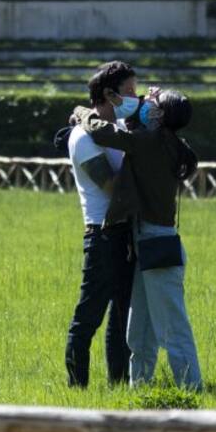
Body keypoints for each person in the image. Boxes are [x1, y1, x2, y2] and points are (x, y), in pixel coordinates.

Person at [76, 88, 203, 391]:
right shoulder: (167, 142)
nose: (145, 102)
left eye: (152, 102)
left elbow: (103, 132)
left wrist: (82, 113)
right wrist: (141, 108)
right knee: (140, 329)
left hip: (154, 244)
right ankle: (139, 390)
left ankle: (191, 390)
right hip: (150, 242)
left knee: (172, 328)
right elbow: (134, 125)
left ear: (160, 115)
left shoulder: (149, 142)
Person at [64, 61, 141, 388]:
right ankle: (76, 385)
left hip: (124, 232)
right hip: (102, 233)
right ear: (109, 95)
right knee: (88, 317)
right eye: (129, 92)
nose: (134, 98)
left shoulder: (119, 131)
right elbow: (111, 187)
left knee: (123, 316)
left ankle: (118, 382)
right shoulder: (84, 138)